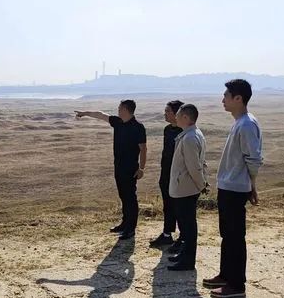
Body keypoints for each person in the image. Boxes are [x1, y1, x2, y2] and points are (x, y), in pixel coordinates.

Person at [203, 79, 263, 298]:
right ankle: (226, 275)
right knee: (227, 234)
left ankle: (236, 285)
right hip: (229, 185)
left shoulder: (247, 124)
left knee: (235, 236)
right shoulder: (240, 122)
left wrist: (252, 185)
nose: (223, 100)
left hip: (236, 188)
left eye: (226, 96)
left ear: (238, 98)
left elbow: (253, 159)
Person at [75, 100, 147, 240]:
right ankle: (125, 223)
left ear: (126, 110)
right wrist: (84, 113)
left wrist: (141, 168)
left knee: (130, 198)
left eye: (120, 108)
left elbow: (143, 148)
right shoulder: (118, 122)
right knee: (123, 196)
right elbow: (101, 115)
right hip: (118, 166)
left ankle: (130, 228)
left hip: (130, 168)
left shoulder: (138, 127)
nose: (118, 110)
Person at [166, 104, 208, 271]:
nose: (175, 117)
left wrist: (202, 185)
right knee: (185, 225)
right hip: (186, 187)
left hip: (186, 188)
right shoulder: (191, 134)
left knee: (188, 226)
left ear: (185, 117)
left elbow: (194, 167)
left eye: (178, 115)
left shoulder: (190, 138)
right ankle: (184, 255)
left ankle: (188, 260)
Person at [149, 100, 184, 249]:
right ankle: (167, 234)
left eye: (167, 111)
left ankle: (183, 237)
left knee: (180, 207)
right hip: (166, 174)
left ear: (176, 114)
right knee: (168, 205)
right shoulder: (167, 130)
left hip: (179, 176)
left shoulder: (184, 132)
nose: (165, 114)